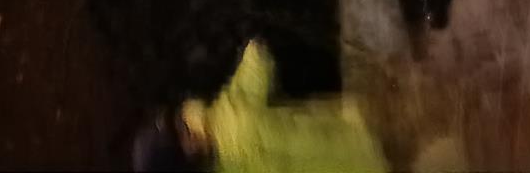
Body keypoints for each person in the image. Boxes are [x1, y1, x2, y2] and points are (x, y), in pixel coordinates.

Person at [130, 41, 388, 173]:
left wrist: (255, 56)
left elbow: (254, 73)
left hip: (359, 135)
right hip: (360, 134)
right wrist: (255, 53)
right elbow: (258, 67)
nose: (188, 133)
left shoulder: (225, 114)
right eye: (181, 137)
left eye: (180, 128)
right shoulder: (228, 114)